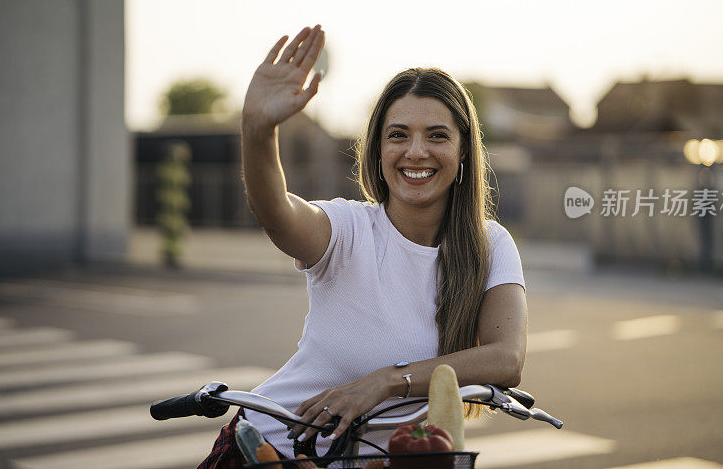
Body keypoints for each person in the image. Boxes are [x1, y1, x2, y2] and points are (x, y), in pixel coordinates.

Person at [198, 24, 528, 468]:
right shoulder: (348, 229)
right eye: (398, 135)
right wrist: (258, 131)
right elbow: (276, 212)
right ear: (377, 149)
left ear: (464, 148)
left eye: (436, 135)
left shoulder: (491, 244)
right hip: (270, 450)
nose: (416, 151)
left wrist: (386, 382)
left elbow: (506, 358)